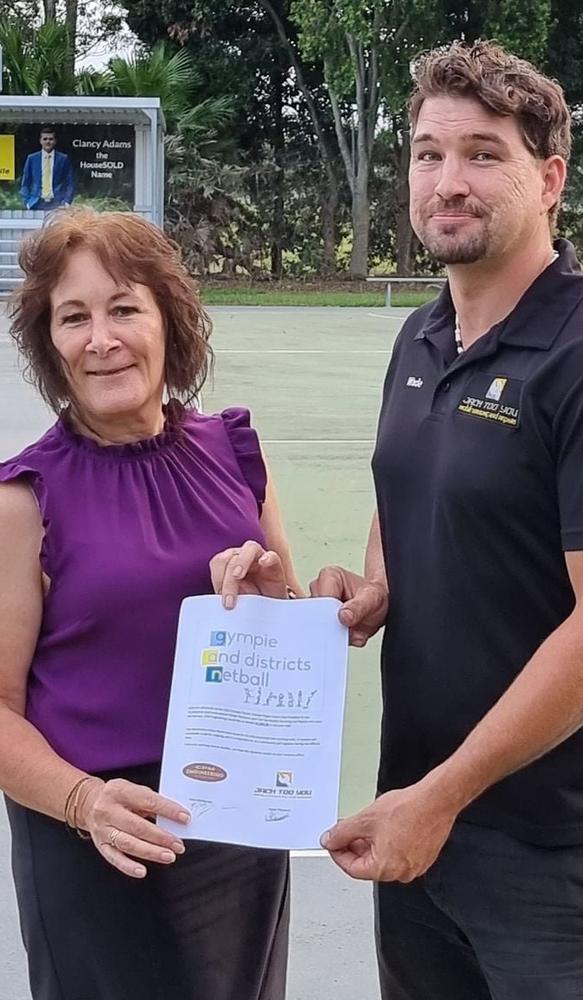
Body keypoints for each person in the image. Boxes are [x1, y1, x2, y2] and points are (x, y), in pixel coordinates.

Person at [223, 40, 583, 999]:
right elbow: (405, 489)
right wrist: (379, 581)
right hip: (416, 814)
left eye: (482, 154)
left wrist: (440, 799)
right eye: (426, 153)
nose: (447, 181)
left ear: (549, 178)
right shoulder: (420, 337)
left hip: (554, 845)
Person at [0, 207, 301, 1000]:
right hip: (96, 834)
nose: (101, 339)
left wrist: (282, 603)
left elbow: (289, 623)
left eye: (124, 308)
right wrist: (84, 802)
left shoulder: (232, 448)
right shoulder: (24, 497)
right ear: (50, 344)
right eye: (74, 317)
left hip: (237, 816)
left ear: (169, 320)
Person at [19, 126, 74, 210]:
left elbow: (70, 183)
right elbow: (25, 184)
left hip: (57, 204)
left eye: (50, 139)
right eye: (45, 139)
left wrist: (66, 202)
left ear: (55, 141)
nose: (48, 141)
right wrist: (27, 202)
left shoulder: (63, 159)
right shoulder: (32, 159)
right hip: (36, 203)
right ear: (40, 141)